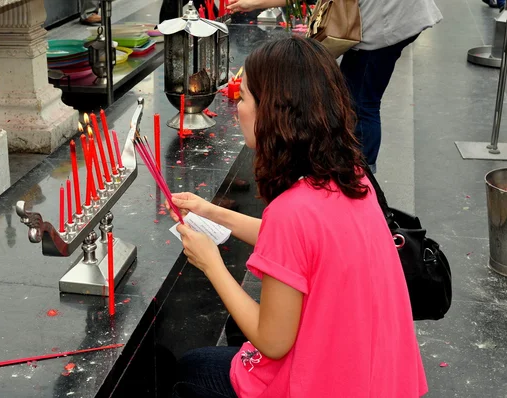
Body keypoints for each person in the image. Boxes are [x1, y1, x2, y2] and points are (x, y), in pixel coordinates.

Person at [167, 37, 427, 398]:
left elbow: (273, 341)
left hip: (324, 382)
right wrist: (212, 212)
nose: (237, 109)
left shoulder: (292, 211)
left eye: (243, 99)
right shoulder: (350, 175)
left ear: (273, 112)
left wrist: (212, 264)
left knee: (191, 370)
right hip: (378, 375)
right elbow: (299, 245)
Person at [228, 0, 442, 172]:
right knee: (353, 97)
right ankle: (354, 166)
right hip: (391, 17)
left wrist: (257, 3)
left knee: (361, 103)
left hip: (383, 26)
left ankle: (360, 172)